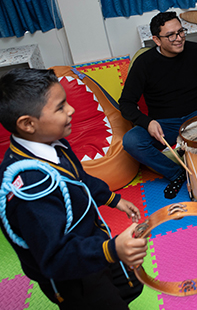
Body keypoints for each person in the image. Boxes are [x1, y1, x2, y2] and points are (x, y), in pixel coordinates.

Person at [0, 68, 147, 309]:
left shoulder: (54, 143)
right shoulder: (31, 188)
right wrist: (112, 249)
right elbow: (55, 256)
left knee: (125, 286)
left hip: (91, 242)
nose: (71, 110)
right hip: (72, 271)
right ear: (28, 124)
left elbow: (79, 178)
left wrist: (112, 199)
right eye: (60, 107)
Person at [119, 11, 197, 199]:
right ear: (156, 40)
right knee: (132, 141)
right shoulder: (144, 63)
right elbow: (126, 103)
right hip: (166, 124)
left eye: (181, 32)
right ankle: (179, 173)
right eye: (170, 35)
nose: (178, 38)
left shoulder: (196, 50)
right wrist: (147, 122)